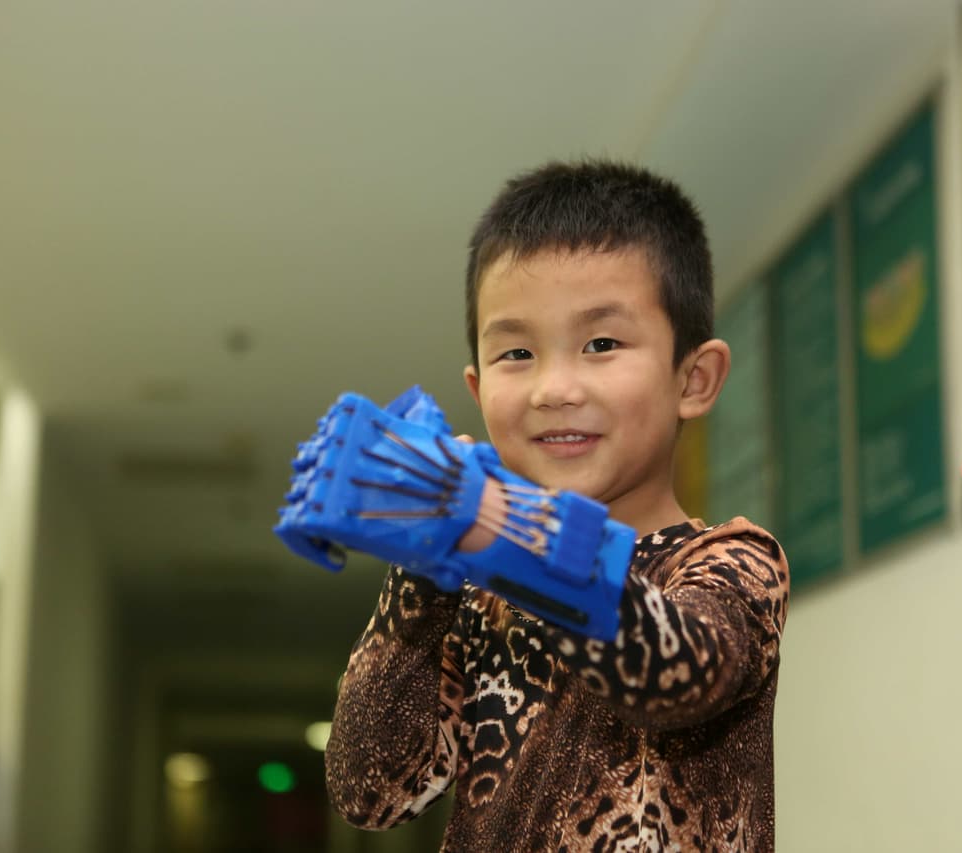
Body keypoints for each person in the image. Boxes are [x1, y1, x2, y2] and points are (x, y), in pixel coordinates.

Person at [323, 160, 790, 852]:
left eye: (601, 343)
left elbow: (675, 672)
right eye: (517, 352)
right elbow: (371, 788)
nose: (553, 387)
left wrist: (497, 534)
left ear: (694, 378)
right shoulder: (478, 592)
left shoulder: (732, 564)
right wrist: (426, 564)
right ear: (479, 394)